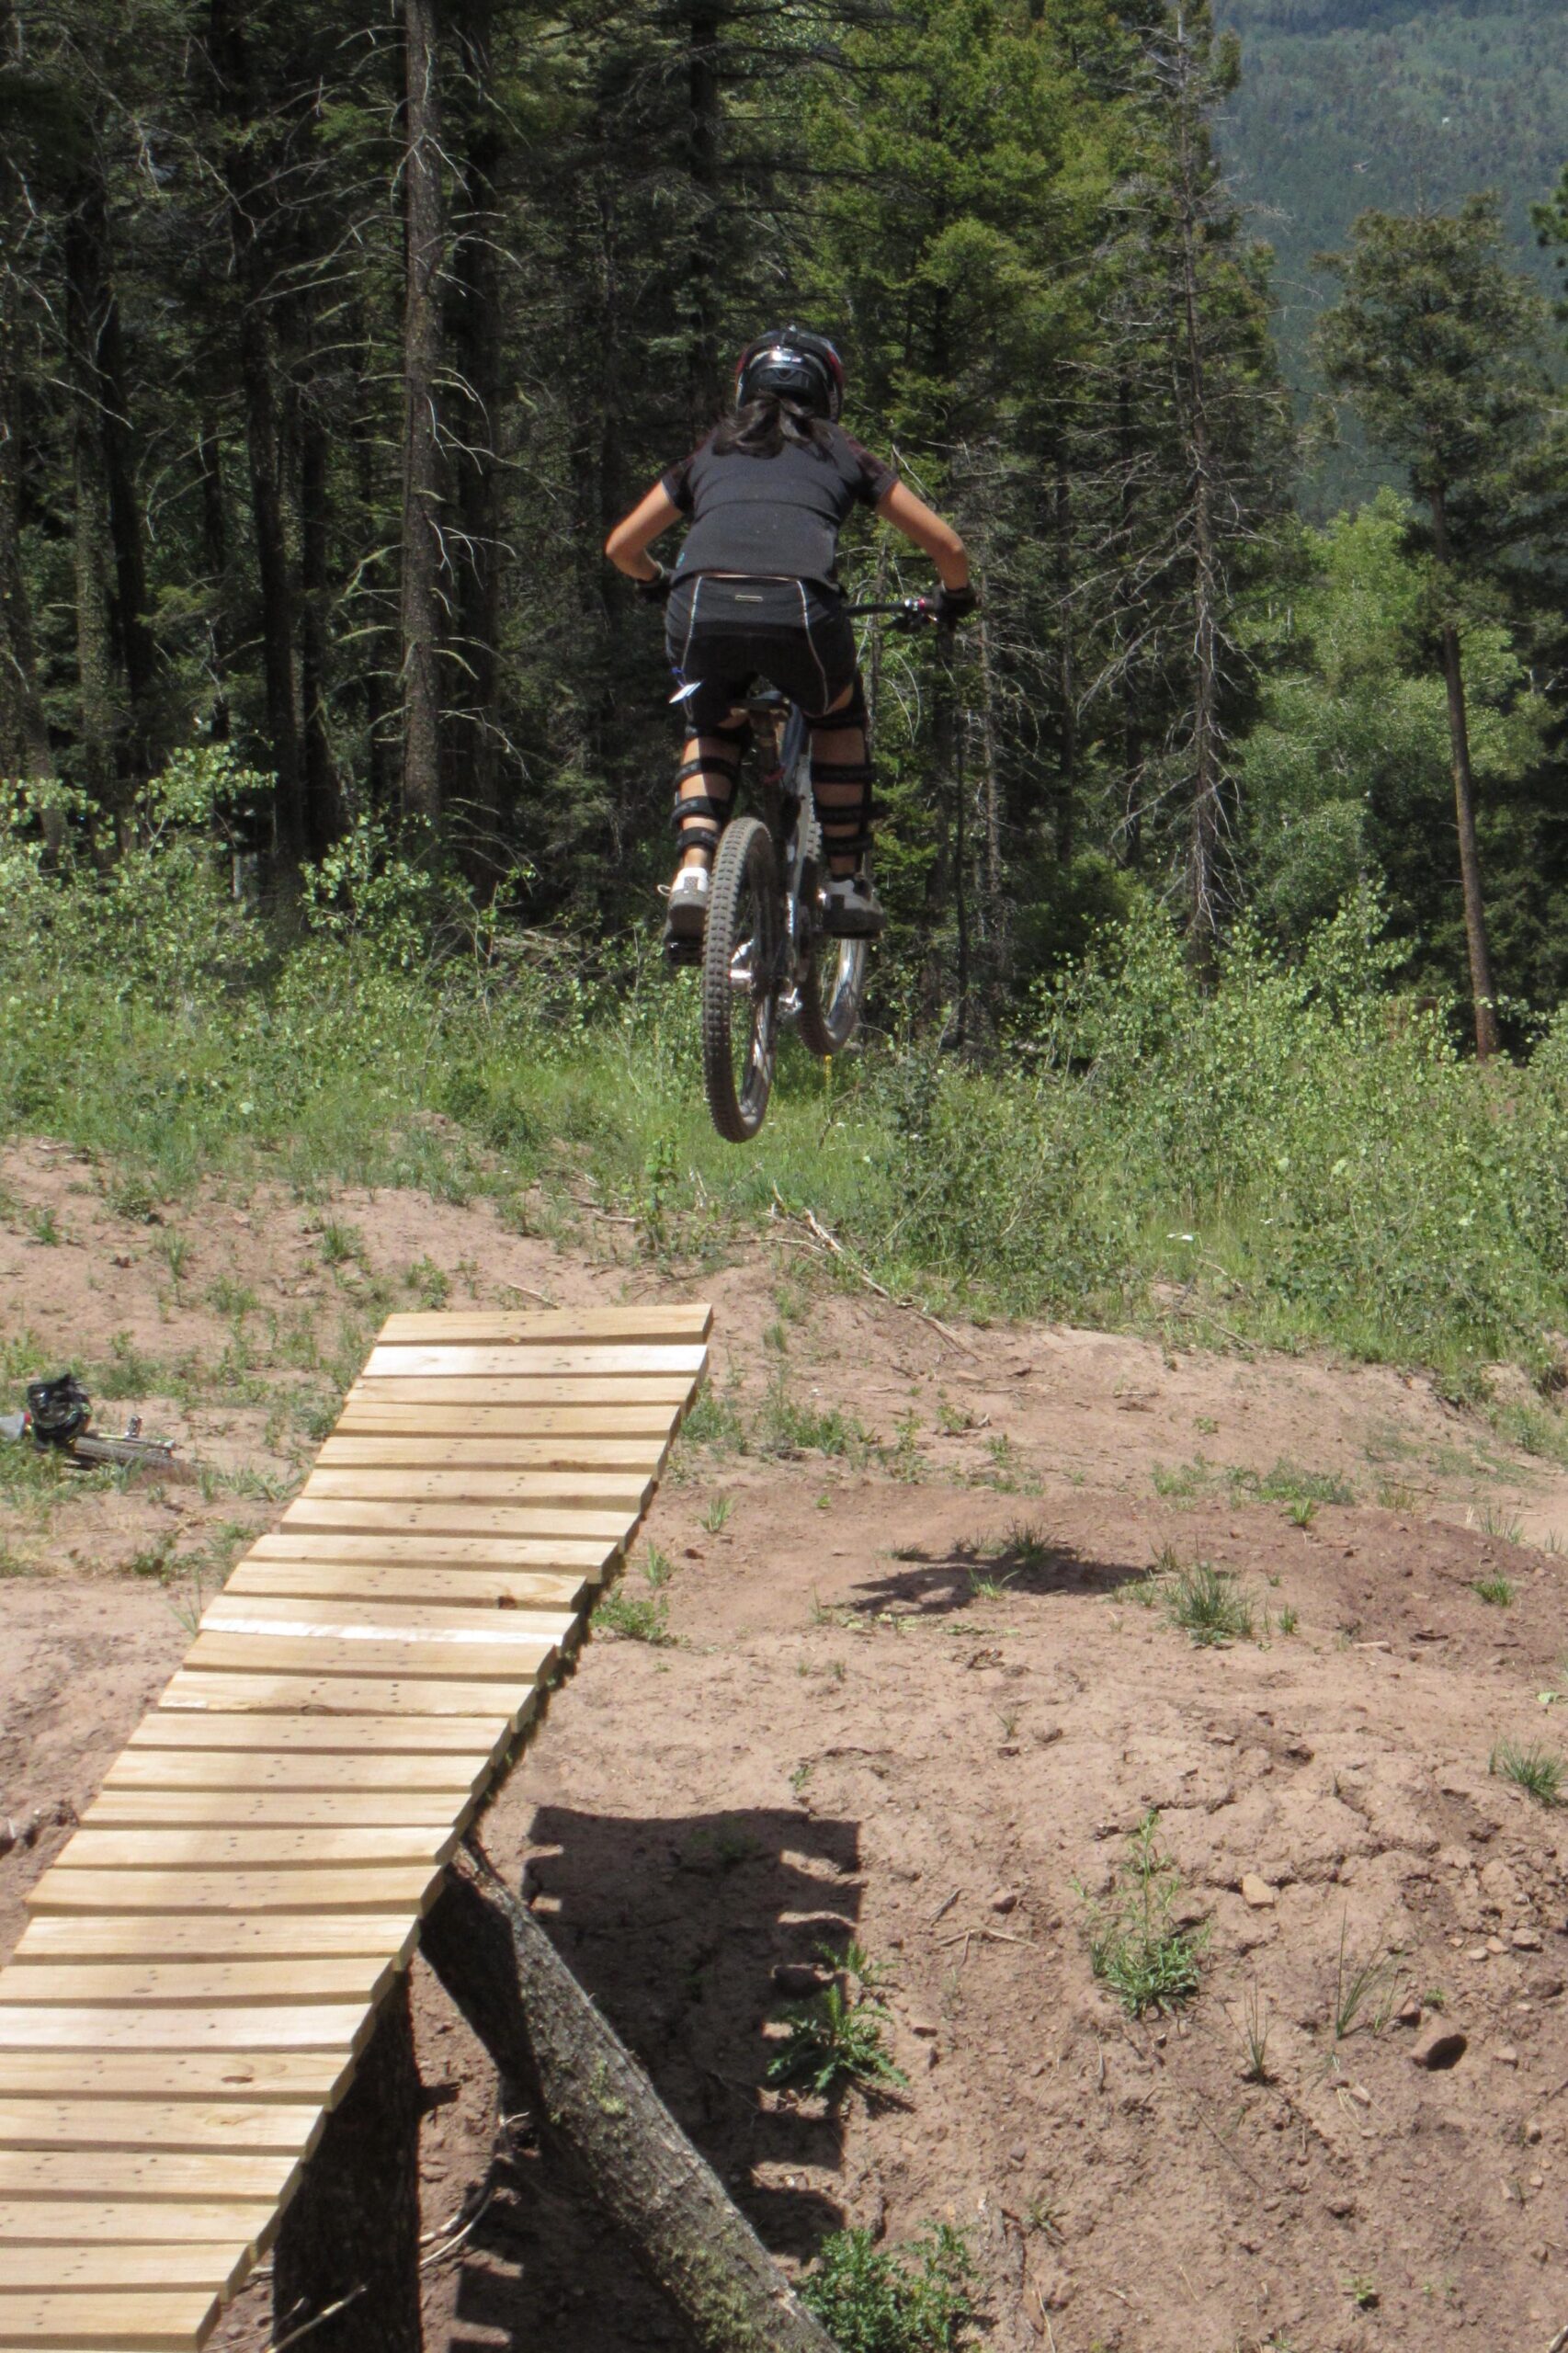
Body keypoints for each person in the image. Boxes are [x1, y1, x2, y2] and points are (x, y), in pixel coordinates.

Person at [604, 326, 976, 954]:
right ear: (827, 391)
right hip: (801, 610)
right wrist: (955, 598)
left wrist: (654, 581)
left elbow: (621, 548)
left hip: (700, 607)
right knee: (836, 714)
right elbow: (948, 546)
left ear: (746, 384)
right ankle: (846, 885)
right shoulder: (842, 451)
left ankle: (694, 869)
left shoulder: (711, 451)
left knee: (710, 721)